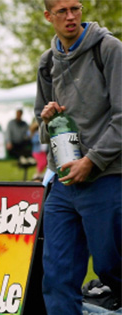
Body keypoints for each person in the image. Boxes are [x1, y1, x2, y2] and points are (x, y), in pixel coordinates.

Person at [34, 0, 122, 314]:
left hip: (107, 178)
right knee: (56, 276)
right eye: (62, 11)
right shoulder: (46, 63)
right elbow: (42, 131)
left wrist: (92, 161)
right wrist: (47, 119)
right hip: (63, 183)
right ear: (48, 16)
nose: (71, 16)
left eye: (76, 8)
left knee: (112, 267)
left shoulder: (109, 50)